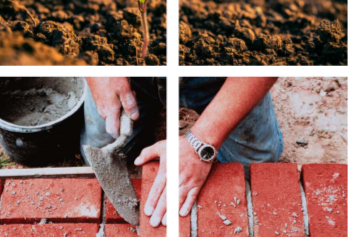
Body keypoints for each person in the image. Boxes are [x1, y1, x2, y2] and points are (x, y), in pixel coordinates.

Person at [82, 77, 283, 228]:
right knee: (103, 144)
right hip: (133, 75)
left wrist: (201, 143)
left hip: (217, 78)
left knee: (257, 165)